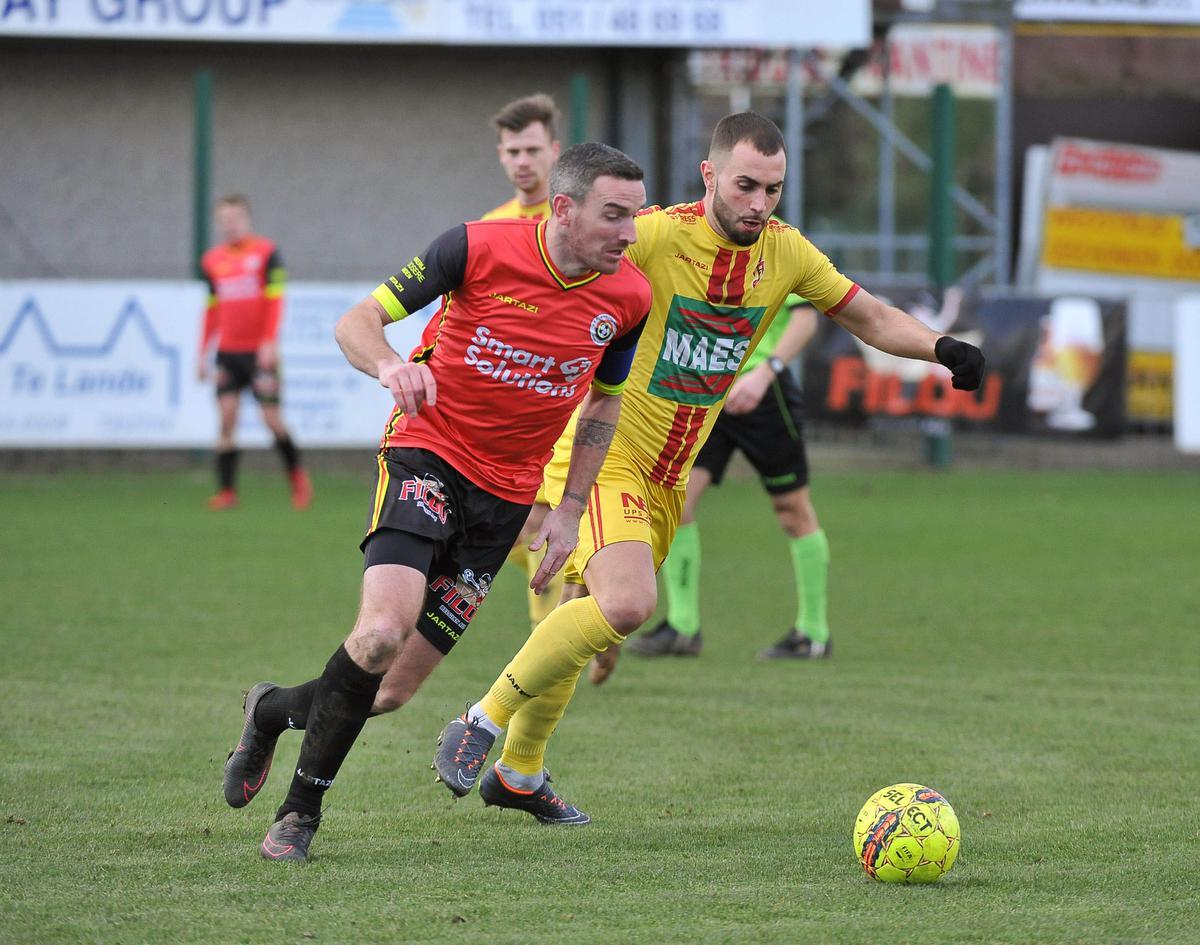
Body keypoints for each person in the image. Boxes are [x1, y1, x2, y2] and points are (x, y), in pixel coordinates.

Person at [432, 111, 986, 824]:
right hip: (609, 453)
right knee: (628, 604)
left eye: (774, 189)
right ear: (711, 176)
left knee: (587, 615)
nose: (759, 203)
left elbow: (868, 315)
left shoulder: (787, 254)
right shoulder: (657, 234)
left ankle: (521, 772)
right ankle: (482, 718)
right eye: (746, 185)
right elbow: (567, 270)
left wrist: (942, 348)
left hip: (668, 474)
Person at [221, 143, 652, 862]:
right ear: (565, 208)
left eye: (635, 217)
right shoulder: (474, 247)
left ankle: (267, 709)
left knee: (384, 690)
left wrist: (571, 506)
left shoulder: (628, 297)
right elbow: (356, 321)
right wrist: (392, 365)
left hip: (507, 502)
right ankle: (299, 814)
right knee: (381, 629)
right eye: (615, 215)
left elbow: (605, 403)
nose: (630, 233)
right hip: (428, 454)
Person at [618, 292, 832, 668]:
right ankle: (683, 627)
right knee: (676, 504)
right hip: (707, 394)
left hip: (763, 395)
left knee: (792, 510)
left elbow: (806, 320)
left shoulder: (776, 243)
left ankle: (813, 632)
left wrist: (765, 375)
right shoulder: (695, 243)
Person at [197, 194, 313, 511]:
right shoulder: (212, 261)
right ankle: (227, 491)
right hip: (228, 355)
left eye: (235, 218)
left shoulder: (266, 254)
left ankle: (298, 479)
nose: (230, 225)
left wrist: (269, 341)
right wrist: (202, 353)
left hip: (260, 354)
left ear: (246, 219)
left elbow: (276, 301)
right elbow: (211, 310)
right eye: (224, 219)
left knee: (272, 420)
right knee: (226, 418)